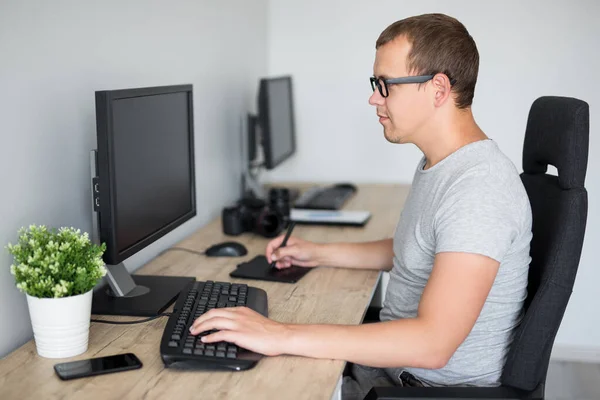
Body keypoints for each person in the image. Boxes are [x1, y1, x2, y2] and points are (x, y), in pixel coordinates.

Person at [190, 12, 532, 400]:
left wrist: (280, 334)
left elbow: (433, 344)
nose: (374, 98)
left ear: (438, 89)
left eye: (385, 85)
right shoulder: (443, 164)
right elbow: (414, 249)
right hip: (391, 373)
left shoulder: (478, 190)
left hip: (421, 388)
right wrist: (317, 253)